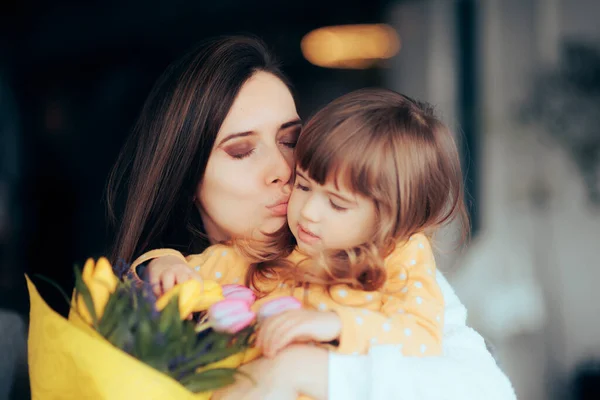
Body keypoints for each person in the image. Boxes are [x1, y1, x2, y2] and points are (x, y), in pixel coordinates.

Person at [108, 35, 516, 399]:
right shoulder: (185, 285)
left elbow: (487, 389)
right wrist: (159, 267)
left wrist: (301, 369)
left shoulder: (375, 257)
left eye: (290, 140)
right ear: (185, 174)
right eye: (241, 150)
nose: (283, 169)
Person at [134, 88, 468, 361]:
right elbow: (192, 271)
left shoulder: (398, 255)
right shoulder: (274, 250)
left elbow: (423, 338)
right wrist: (162, 264)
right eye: (303, 186)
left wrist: (334, 325)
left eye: (337, 204)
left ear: (394, 218)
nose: (308, 212)